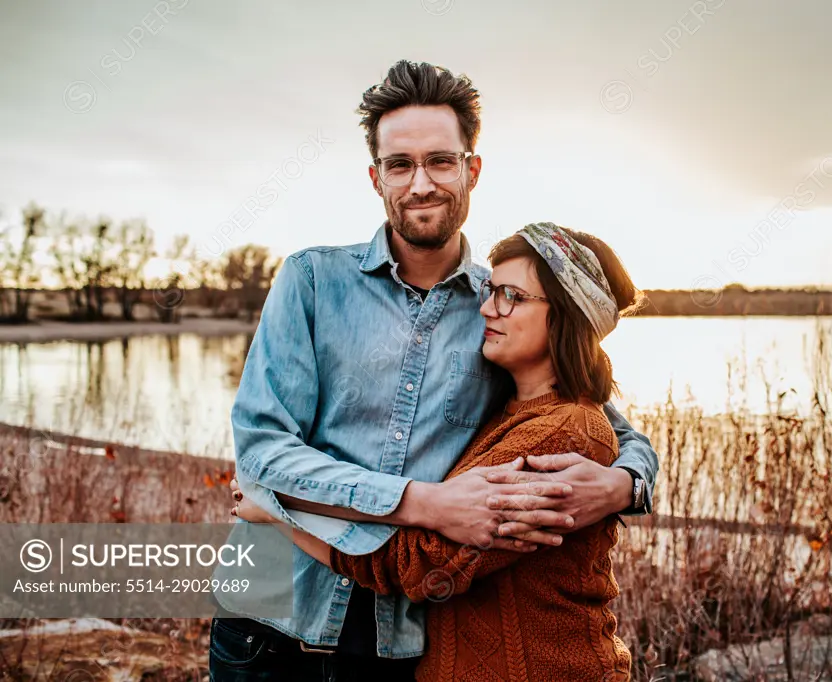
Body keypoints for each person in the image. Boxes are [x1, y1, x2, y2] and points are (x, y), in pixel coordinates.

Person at [209, 60, 659, 681]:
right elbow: (261, 454)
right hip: (268, 619)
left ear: (472, 169)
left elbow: (604, 424)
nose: (421, 183)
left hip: (398, 639)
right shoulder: (310, 281)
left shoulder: (498, 307)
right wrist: (423, 504)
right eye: (400, 165)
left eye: (441, 161)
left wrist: (622, 487)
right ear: (376, 178)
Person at [233, 222, 640, 681]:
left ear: (566, 315)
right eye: (492, 291)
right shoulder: (511, 405)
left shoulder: (559, 433)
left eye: (511, 296)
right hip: (276, 627)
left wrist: (275, 511)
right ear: (376, 175)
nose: (487, 308)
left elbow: (414, 563)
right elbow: (260, 447)